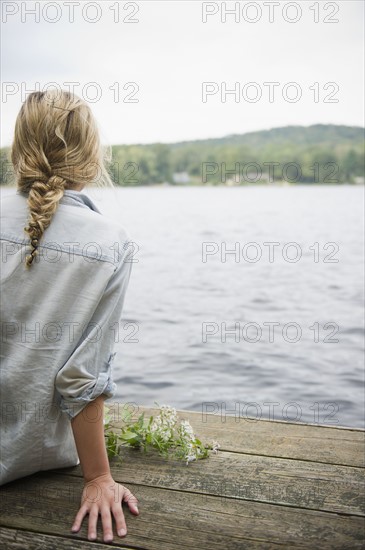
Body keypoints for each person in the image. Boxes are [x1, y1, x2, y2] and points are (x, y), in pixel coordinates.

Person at [0, 90, 140, 543]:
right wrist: (98, 478)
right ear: (92, 158)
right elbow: (81, 377)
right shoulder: (109, 241)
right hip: (29, 457)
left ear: (18, 152)